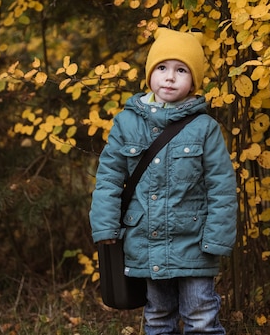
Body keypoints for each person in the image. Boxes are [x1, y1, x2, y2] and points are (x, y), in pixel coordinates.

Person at [90, 27, 237, 335]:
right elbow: (109, 178)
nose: (170, 77)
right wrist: (105, 227)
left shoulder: (204, 128)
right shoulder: (126, 123)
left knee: (201, 316)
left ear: (193, 81)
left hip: (195, 242)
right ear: (150, 74)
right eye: (162, 68)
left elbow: (221, 188)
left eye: (181, 70)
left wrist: (216, 239)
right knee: (158, 316)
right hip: (146, 240)